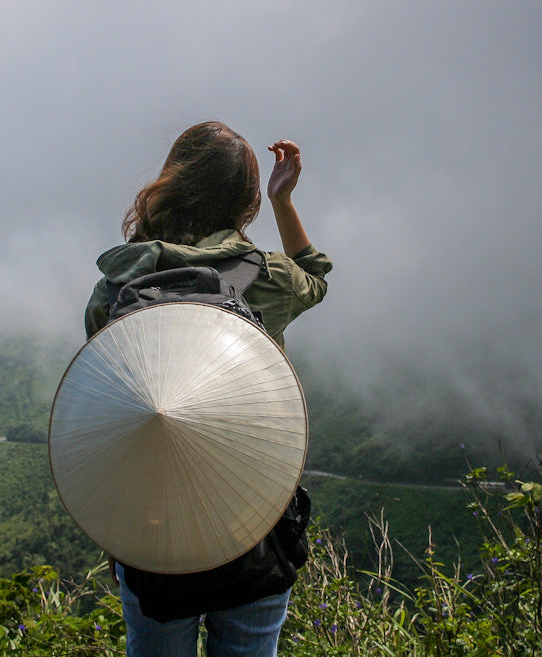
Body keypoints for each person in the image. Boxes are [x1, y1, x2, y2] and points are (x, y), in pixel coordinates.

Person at [84, 121, 332, 657]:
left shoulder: (117, 288)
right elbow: (315, 274)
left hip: (153, 526)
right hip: (255, 515)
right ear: (244, 202)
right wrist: (283, 199)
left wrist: (115, 527)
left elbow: (112, 418)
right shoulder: (269, 279)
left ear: (171, 182)